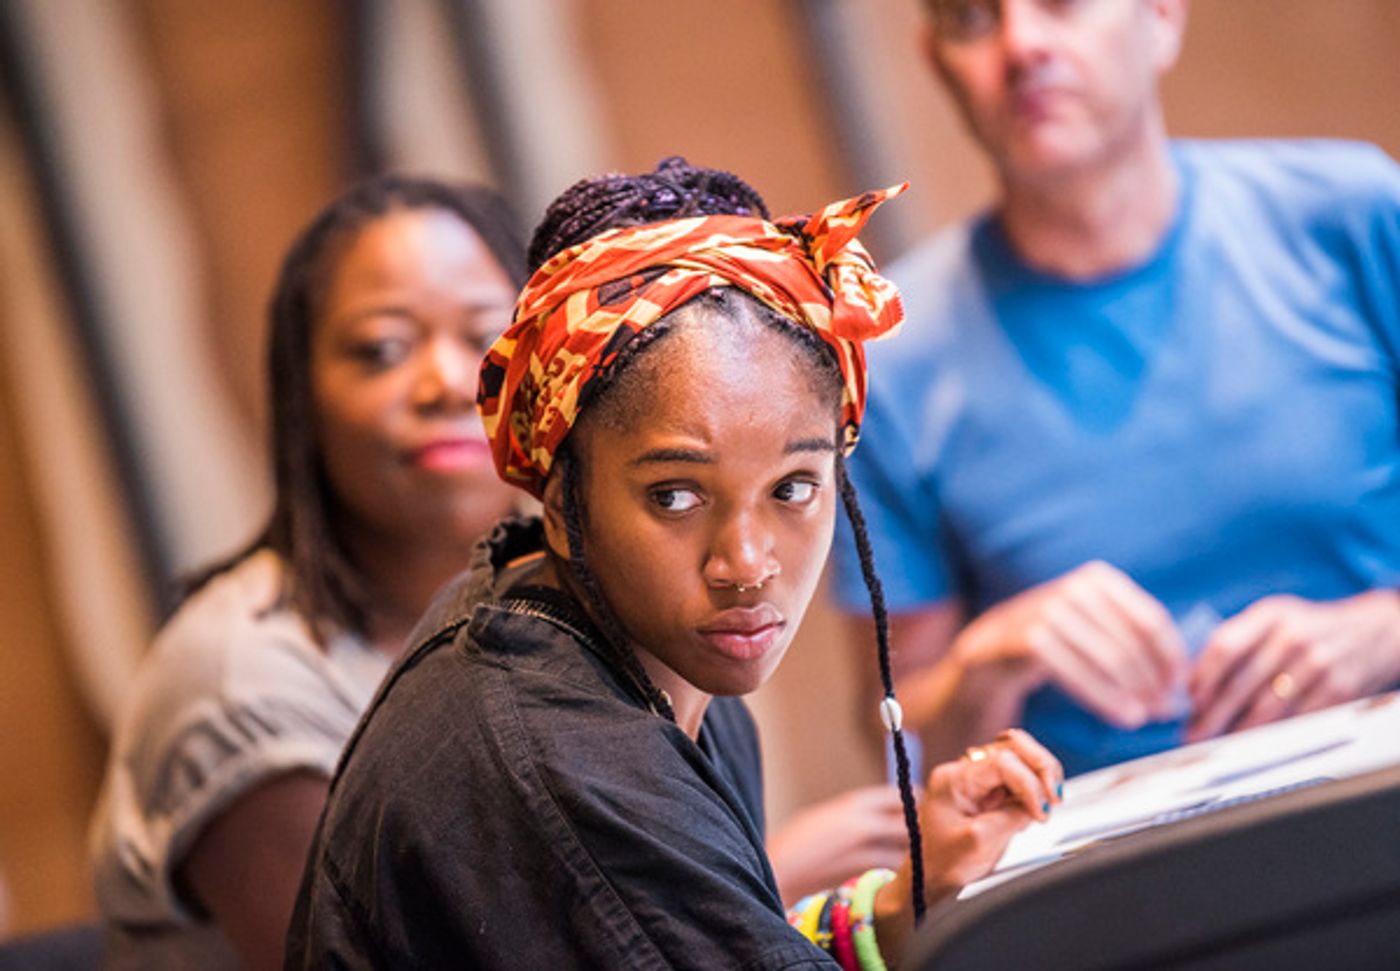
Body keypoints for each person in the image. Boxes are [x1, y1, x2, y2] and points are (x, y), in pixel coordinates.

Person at [286, 158, 1064, 969]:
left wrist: (902, 903)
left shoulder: (653, 659)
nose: (747, 562)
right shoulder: (571, 767)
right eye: (675, 498)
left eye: (794, 486)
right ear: (560, 499)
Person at [831, 0, 1400, 777]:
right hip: (1117, 862)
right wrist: (987, 661)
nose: (1022, 44)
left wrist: (1383, 630)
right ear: (938, 64)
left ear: (1162, 18)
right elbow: (899, 740)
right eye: (972, 16)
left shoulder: (1354, 219)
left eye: (1061, 3)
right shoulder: (885, 360)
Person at [88, 175, 529, 970]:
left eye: (486, 338)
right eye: (383, 350)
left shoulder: (545, 609)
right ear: (304, 398)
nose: (446, 384)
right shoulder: (243, 688)